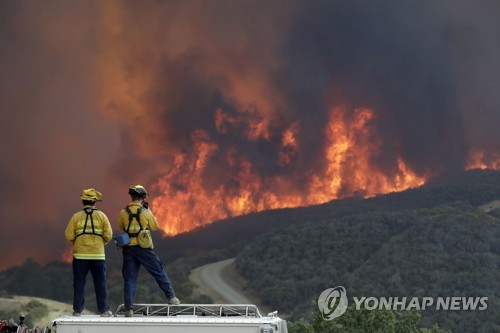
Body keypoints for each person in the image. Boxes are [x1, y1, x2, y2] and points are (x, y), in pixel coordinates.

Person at [117, 185, 180, 317]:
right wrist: (148, 210)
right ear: (143, 197)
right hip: (143, 248)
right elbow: (154, 226)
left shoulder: (123, 212)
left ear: (132, 197)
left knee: (129, 279)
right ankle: (171, 297)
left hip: (128, 249)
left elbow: (120, 227)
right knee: (158, 271)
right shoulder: (145, 211)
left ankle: (129, 308)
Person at [65, 188, 113, 317]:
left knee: (79, 283)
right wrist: (100, 244)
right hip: (98, 255)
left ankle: (77, 310)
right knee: (100, 283)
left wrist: (77, 243)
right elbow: (108, 235)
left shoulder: (76, 216)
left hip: (80, 256)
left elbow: (68, 235)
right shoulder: (102, 216)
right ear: (95, 202)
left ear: (83, 201)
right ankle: (103, 310)